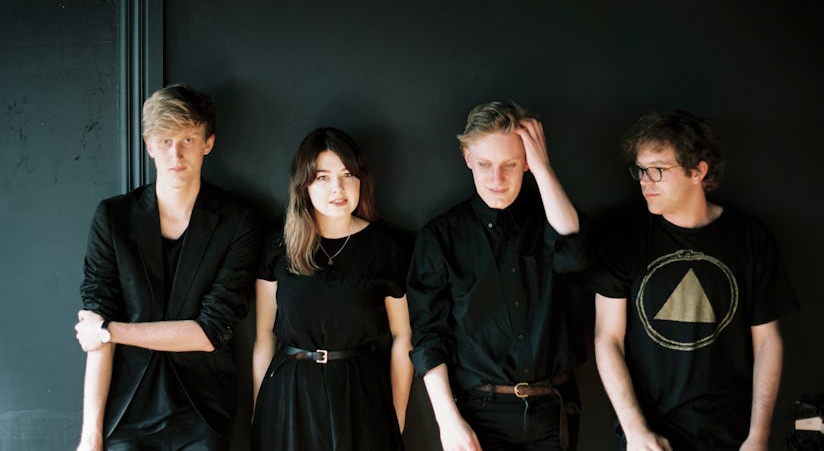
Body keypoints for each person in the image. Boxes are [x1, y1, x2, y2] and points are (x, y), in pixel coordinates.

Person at [589, 110, 798, 450]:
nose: (645, 181)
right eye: (641, 170)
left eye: (658, 170)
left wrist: (758, 436)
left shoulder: (749, 238)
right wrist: (635, 431)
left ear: (698, 171)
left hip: (731, 434)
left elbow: (767, 341)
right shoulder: (624, 239)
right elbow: (607, 339)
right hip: (652, 437)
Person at [74, 84, 261, 451]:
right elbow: (95, 327)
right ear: (148, 145)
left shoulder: (238, 222)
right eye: (164, 140)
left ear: (208, 142)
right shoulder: (113, 218)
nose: (175, 153)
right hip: (126, 410)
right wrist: (90, 435)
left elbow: (208, 333)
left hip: (202, 412)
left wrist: (111, 332)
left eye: (188, 139)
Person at [407, 101, 591, 451]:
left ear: (525, 161)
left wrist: (543, 167)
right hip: (479, 412)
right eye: (484, 165)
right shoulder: (440, 236)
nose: (497, 180)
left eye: (510, 165)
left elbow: (576, 255)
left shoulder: (550, 217)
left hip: (555, 407)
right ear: (466, 157)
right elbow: (429, 336)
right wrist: (447, 421)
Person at [251, 127, 413, 450]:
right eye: (323, 177)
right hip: (290, 399)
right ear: (304, 184)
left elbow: (403, 338)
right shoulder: (278, 246)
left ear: (360, 180)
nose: (337, 188)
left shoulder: (387, 248)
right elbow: (264, 335)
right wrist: (261, 413)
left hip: (361, 398)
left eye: (347, 174)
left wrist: (395, 418)